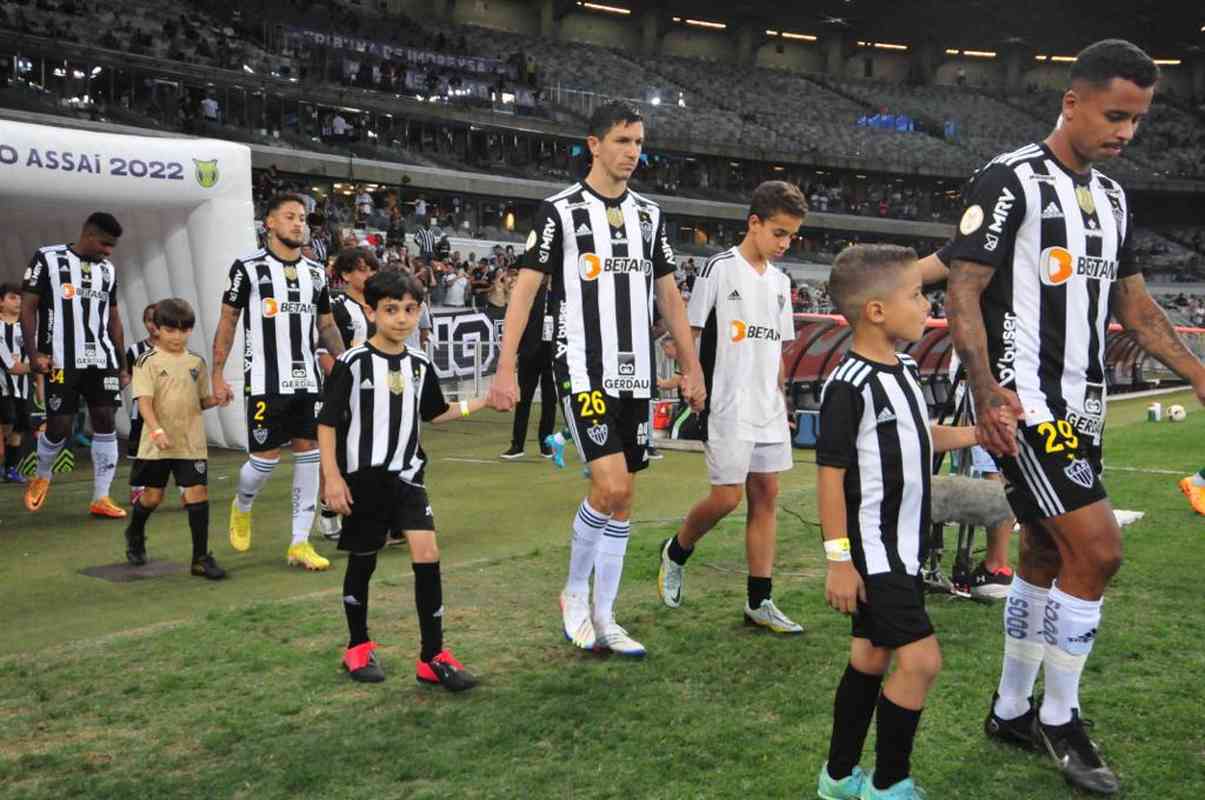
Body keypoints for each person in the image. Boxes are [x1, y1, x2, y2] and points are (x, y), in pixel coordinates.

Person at [945, 40, 1205, 795]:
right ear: (1072, 100)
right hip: (1024, 405)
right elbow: (963, 290)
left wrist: (1192, 369)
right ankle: (1061, 719)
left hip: (1081, 404)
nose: (1125, 132)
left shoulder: (1114, 199)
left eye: (1137, 119)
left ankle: (1009, 710)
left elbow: (1132, 304)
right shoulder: (1010, 180)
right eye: (1113, 114)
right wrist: (985, 388)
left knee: (1043, 553)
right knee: (1098, 552)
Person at [490, 101, 706, 657]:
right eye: (622, 141)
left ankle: (607, 617)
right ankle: (572, 594)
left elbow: (669, 297)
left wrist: (691, 366)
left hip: (635, 373)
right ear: (594, 144)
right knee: (610, 486)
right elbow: (525, 289)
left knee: (624, 495)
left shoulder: (651, 216)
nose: (632, 152)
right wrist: (506, 365)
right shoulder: (559, 212)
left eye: (639, 143)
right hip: (582, 366)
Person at [814, 244, 978, 800]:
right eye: (915, 295)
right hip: (873, 553)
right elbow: (829, 478)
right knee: (923, 661)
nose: (924, 304)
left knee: (871, 656)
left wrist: (980, 434)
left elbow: (920, 434)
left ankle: (837, 779)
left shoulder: (904, 368)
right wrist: (838, 561)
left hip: (903, 549)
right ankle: (889, 785)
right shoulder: (847, 386)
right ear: (877, 312)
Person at [319, 271, 488, 689]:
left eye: (410, 310)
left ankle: (432, 656)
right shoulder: (352, 363)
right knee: (365, 559)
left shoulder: (419, 364)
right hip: (364, 479)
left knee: (427, 554)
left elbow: (434, 412)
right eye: (391, 309)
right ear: (371, 311)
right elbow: (327, 422)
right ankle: (357, 646)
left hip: (409, 476)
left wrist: (480, 402)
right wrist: (333, 478)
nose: (401, 319)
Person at [656, 181, 807, 634]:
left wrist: (783, 398)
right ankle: (676, 550)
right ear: (754, 223)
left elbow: (778, 349)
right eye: (779, 233)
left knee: (767, 497)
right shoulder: (719, 269)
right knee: (727, 497)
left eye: (791, 237)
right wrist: (691, 377)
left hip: (768, 407)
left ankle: (759, 602)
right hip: (727, 401)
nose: (784, 244)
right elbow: (691, 331)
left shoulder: (781, 282)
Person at [210, 193, 347, 572]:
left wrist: (348, 361)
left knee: (309, 454)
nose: (299, 223)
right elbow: (228, 321)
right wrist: (217, 374)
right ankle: (243, 503)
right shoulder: (247, 269)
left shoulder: (316, 272)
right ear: (269, 223)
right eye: (289, 216)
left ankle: (299, 543)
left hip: (307, 381)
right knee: (264, 461)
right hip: (266, 380)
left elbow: (326, 324)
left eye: (302, 218)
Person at [21, 212, 131, 518]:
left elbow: (114, 318)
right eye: (105, 244)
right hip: (60, 358)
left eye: (113, 246)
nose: (109, 251)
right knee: (60, 427)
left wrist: (121, 364)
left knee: (105, 419)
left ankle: (101, 497)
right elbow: (28, 308)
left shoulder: (108, 270)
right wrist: (33, 355)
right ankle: (42, 473)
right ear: (88, 234)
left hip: (101, 358)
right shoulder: (48, 258)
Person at [124, 299, 228, 578]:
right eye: (171, 330)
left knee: (197, 494)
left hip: (190, 442)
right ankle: (135, 532)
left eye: (184, 330)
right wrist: (156, 430)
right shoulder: (146, 361)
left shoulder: (197, 362)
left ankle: (200, 558)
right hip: (156, 444)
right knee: (152, 497)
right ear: (156, 329)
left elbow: (201, 400)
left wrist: (218, 399)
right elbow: (143, 402)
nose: (177, 336)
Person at [501, 275, 555, 460]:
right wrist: (517, 351)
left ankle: (546, 445)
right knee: (523, 401)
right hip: (529, 354)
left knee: (550, 403)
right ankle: (517, 445)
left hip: (553, 356)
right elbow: (517, 323)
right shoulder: (529, 296)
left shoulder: (562, 296)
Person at [126, 302, 159, 506]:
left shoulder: (176, 347)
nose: (153, 324)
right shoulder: (134, 350)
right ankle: (137, 490)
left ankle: (186, 489)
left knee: (178, 450)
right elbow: (125, 376)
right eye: (148, 320)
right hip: (141, 411)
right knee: (140, 451)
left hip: (170, 409)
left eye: (156, 320)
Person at [0, 283, 31, 482]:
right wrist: (40, 366)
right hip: (2, 386)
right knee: (7, 420)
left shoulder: (27, 327)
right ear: (0, 302)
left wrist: (39, 387)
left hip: (23, 386)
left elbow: (33, 357)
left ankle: (10, 469)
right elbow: (11, 366)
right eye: (12, 297)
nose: (18, 301)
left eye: (20, 297)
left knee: (21, 424)